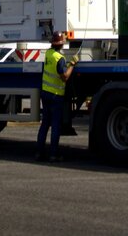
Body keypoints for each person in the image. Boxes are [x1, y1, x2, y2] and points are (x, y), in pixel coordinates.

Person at [36, 31, 74, 162]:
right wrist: (72, 65)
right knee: (55, 126)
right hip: (55, 96)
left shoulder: (48, 53)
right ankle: (53, 154)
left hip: (45, 93)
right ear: (62, 44)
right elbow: (65, 77)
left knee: (45, 124)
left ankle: (39, 152)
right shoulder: (60, 58)